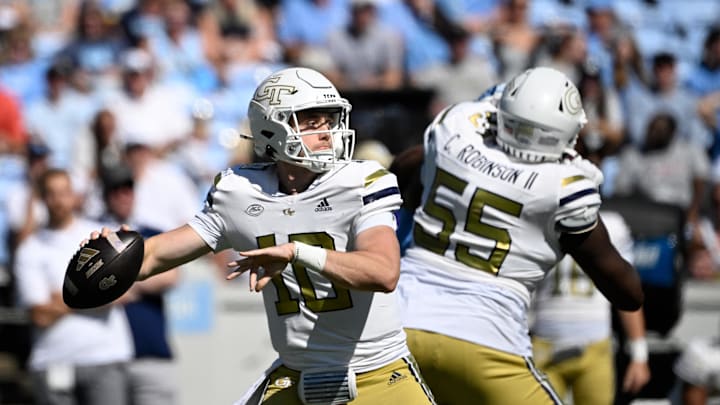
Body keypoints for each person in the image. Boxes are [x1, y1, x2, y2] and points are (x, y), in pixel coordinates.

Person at [87, 67, 435, 405]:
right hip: (296, 378)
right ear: (272, 129)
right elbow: (155, 256)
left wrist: (297, 252)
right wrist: (115, 255)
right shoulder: (241, 192)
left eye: (329, 119)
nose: (327, 130)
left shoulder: (360, 182)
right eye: (311, 120)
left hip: (378, 374)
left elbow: (383, 271)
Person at [393, 66, 644, 404]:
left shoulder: (454, 130)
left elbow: (401, 170)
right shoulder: (563, 188)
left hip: (400, 324)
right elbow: (629, 293)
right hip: (486, 343)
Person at [14, 168, 132, 405]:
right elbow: (39, 315)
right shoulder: (31, 248)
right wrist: (91, 293)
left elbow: (121, 294)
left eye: (64, 192)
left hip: (105, 356)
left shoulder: (99, 236)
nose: (59, 201)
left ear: (75, 195)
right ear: (42, 198)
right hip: (53, 360)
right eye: (51, 194)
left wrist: (60, 299)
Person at [530, 210, 651, 405]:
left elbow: (625, 292)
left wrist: (639, 355)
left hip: (595, 345)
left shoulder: (613, 224)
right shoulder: (541, 212)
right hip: (544, 343)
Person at [98, 166, 179, 405]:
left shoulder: (150, 233)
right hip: (103, 357)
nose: (123, 196)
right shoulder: (94, 235)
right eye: (116, 191)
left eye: (128, 189)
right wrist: (139, 282)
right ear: (105, 195)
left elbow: (170, 276)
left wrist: (117, 284)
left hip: (150, 352)